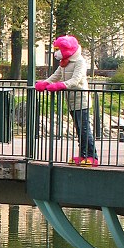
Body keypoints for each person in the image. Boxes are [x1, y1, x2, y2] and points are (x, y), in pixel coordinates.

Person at [35, 35, 99, 167]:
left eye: (58, 49)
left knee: (85, 128)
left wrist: (60, 85)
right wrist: (45, 83)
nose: (56, 52)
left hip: (81, 101)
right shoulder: (65, 63)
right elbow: (56, 76)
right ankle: (83, 155)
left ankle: (92, 156)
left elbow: (76, 80)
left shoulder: (80, 62)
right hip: (71, 101)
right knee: (79, 129)